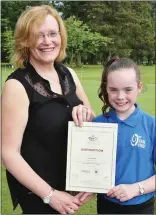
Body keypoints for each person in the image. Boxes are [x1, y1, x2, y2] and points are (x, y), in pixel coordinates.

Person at [2, 5, 94, 214]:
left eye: (53, 34)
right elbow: (9, 153)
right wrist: (50, 195)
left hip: (69, 191)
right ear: (25, 41)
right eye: (38, 36)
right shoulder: (16, 85)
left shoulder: (69, 74)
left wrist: (86, 115)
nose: (47, 41)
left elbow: (92, 126)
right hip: (40, 197)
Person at [93, 57, 156, 214]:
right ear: (106, 89)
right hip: (106, 204)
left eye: (128, 89)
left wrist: (136, 189)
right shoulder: (97, 124)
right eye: (114, 90)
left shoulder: (151, 124)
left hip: (142, 206)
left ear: (139, 87)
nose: (120, 97)